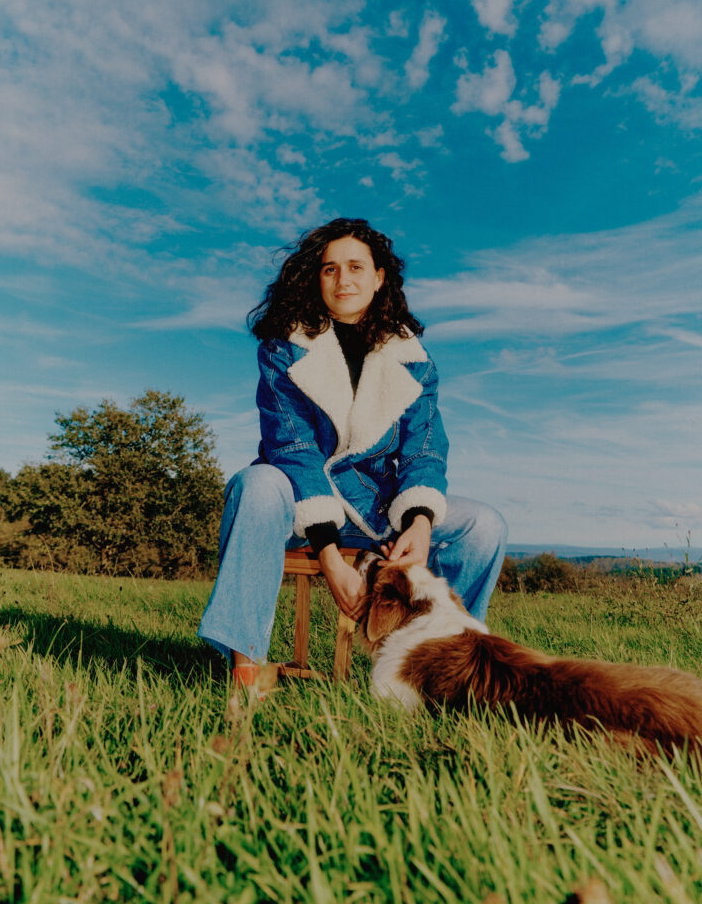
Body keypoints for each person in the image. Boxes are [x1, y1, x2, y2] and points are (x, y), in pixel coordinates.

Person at [197, 217, 507, 685]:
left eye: (356, 267)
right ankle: (245, 671)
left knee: (485, 525)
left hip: (376, 512)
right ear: (315, 278)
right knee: (257, 484)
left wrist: (419, 522)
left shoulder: (415, 361)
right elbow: (293, 447)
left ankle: (441, 665)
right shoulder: (284, 350)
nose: (344, 280)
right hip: (299, 512)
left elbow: (425, 449)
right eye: (330, 269)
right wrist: (327, 555)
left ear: (379, 276)